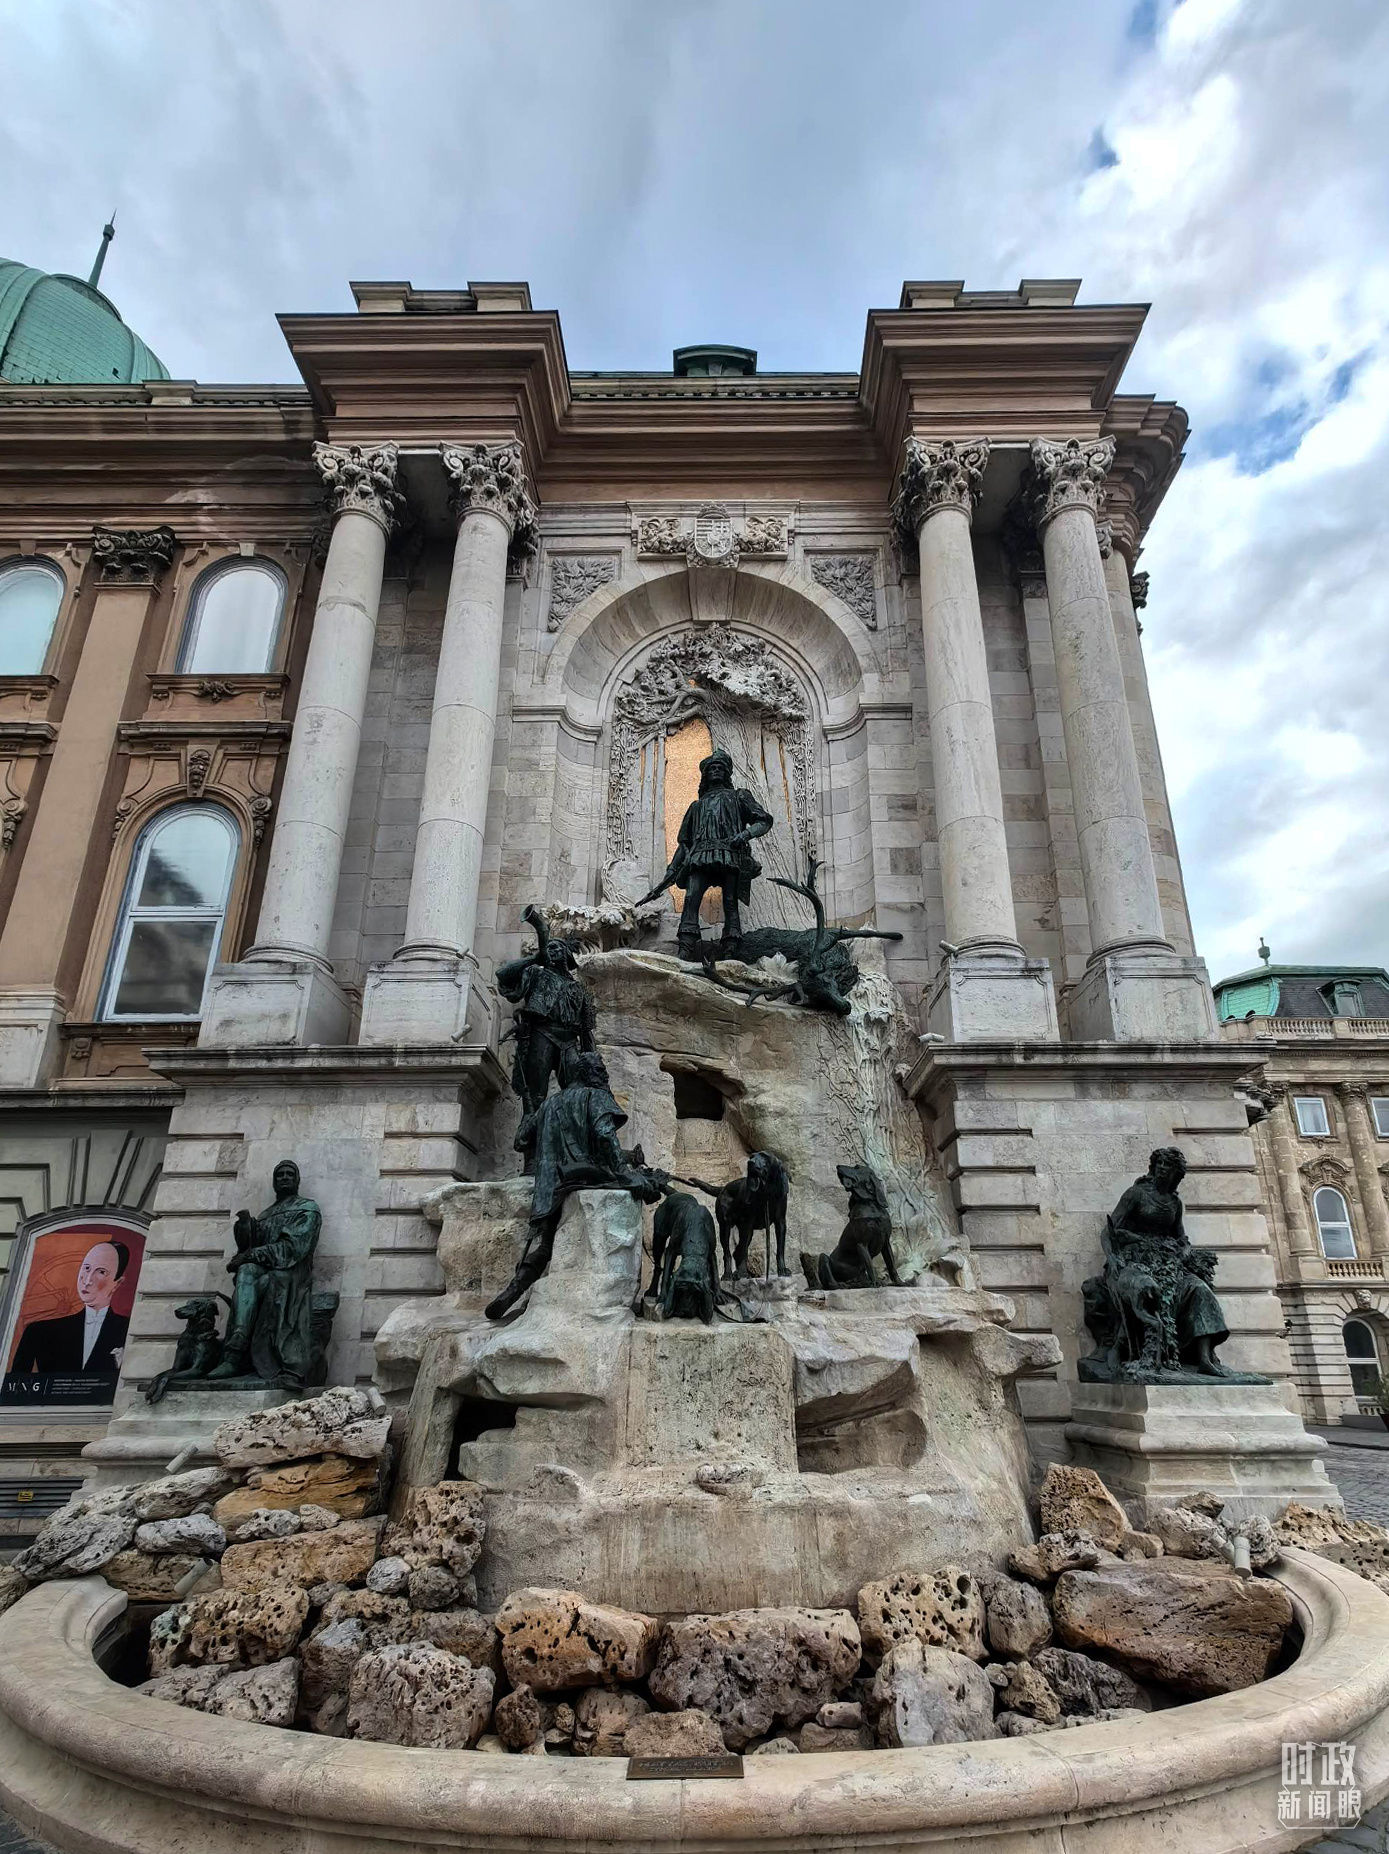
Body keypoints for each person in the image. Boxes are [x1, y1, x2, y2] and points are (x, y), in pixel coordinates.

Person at [485, 1048, 661, 1321]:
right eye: (601, 1071)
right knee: (648, 1183)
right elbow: (604, 1135)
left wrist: (534, 1113)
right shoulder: (596, 1096)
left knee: (544, 1244)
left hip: (551, 1185)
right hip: (585, 1176)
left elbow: (520, 1141)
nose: (604, 1076)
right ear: (589, 1073)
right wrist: (626, 1175)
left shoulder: (551, 1103)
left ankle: (515, 1288)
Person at [639, 748, 773, 961]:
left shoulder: (739, 796)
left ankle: (731, 947)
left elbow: (764, 820)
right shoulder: (696, 806)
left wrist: (745, 835)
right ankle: (685, 947)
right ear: (705, 775)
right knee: (691, 898)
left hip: (729, 855)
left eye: (720, 768)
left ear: (726, 773)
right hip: (699, 857)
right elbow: (684, 844)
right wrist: (671, 870)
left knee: (730, 901)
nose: (716, 771)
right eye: (712, 768)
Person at [206, 1159, 321, 1387]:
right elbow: (252, 1248)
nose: (284, 1178)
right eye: (280, 1175)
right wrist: (245, 1229)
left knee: (261, 1276)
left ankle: (237, 1353)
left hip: (291, 1275)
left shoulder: (307, 1208)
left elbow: (292, 1249)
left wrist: (250, 1254)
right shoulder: (267, 1213)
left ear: (297, 1180)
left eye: (289, 1174)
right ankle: (237, 1343)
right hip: (264, 1274)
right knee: (246, 1270)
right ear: (274, 1181)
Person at [496, 903, 596, 1160]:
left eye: (556, 947)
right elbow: (503, 976)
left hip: (569, 1042)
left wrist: (591, 1059)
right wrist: (534, 959)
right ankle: (532, 1159)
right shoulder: (534, 974)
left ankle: (577, 1156)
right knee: (535, 1096)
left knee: (578, 1095)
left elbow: (587, 1031)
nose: (551, 950)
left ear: (566, 955)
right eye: (548, 947)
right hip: (541, 1035)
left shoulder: (579, 989)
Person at [10, 1239, 130, 1376]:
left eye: (101, 1272)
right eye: (86, 1268)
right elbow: (15, 1383)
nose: (87, 1280)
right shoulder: (39, 1331)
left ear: (117, 1283)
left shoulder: (128, 1329)